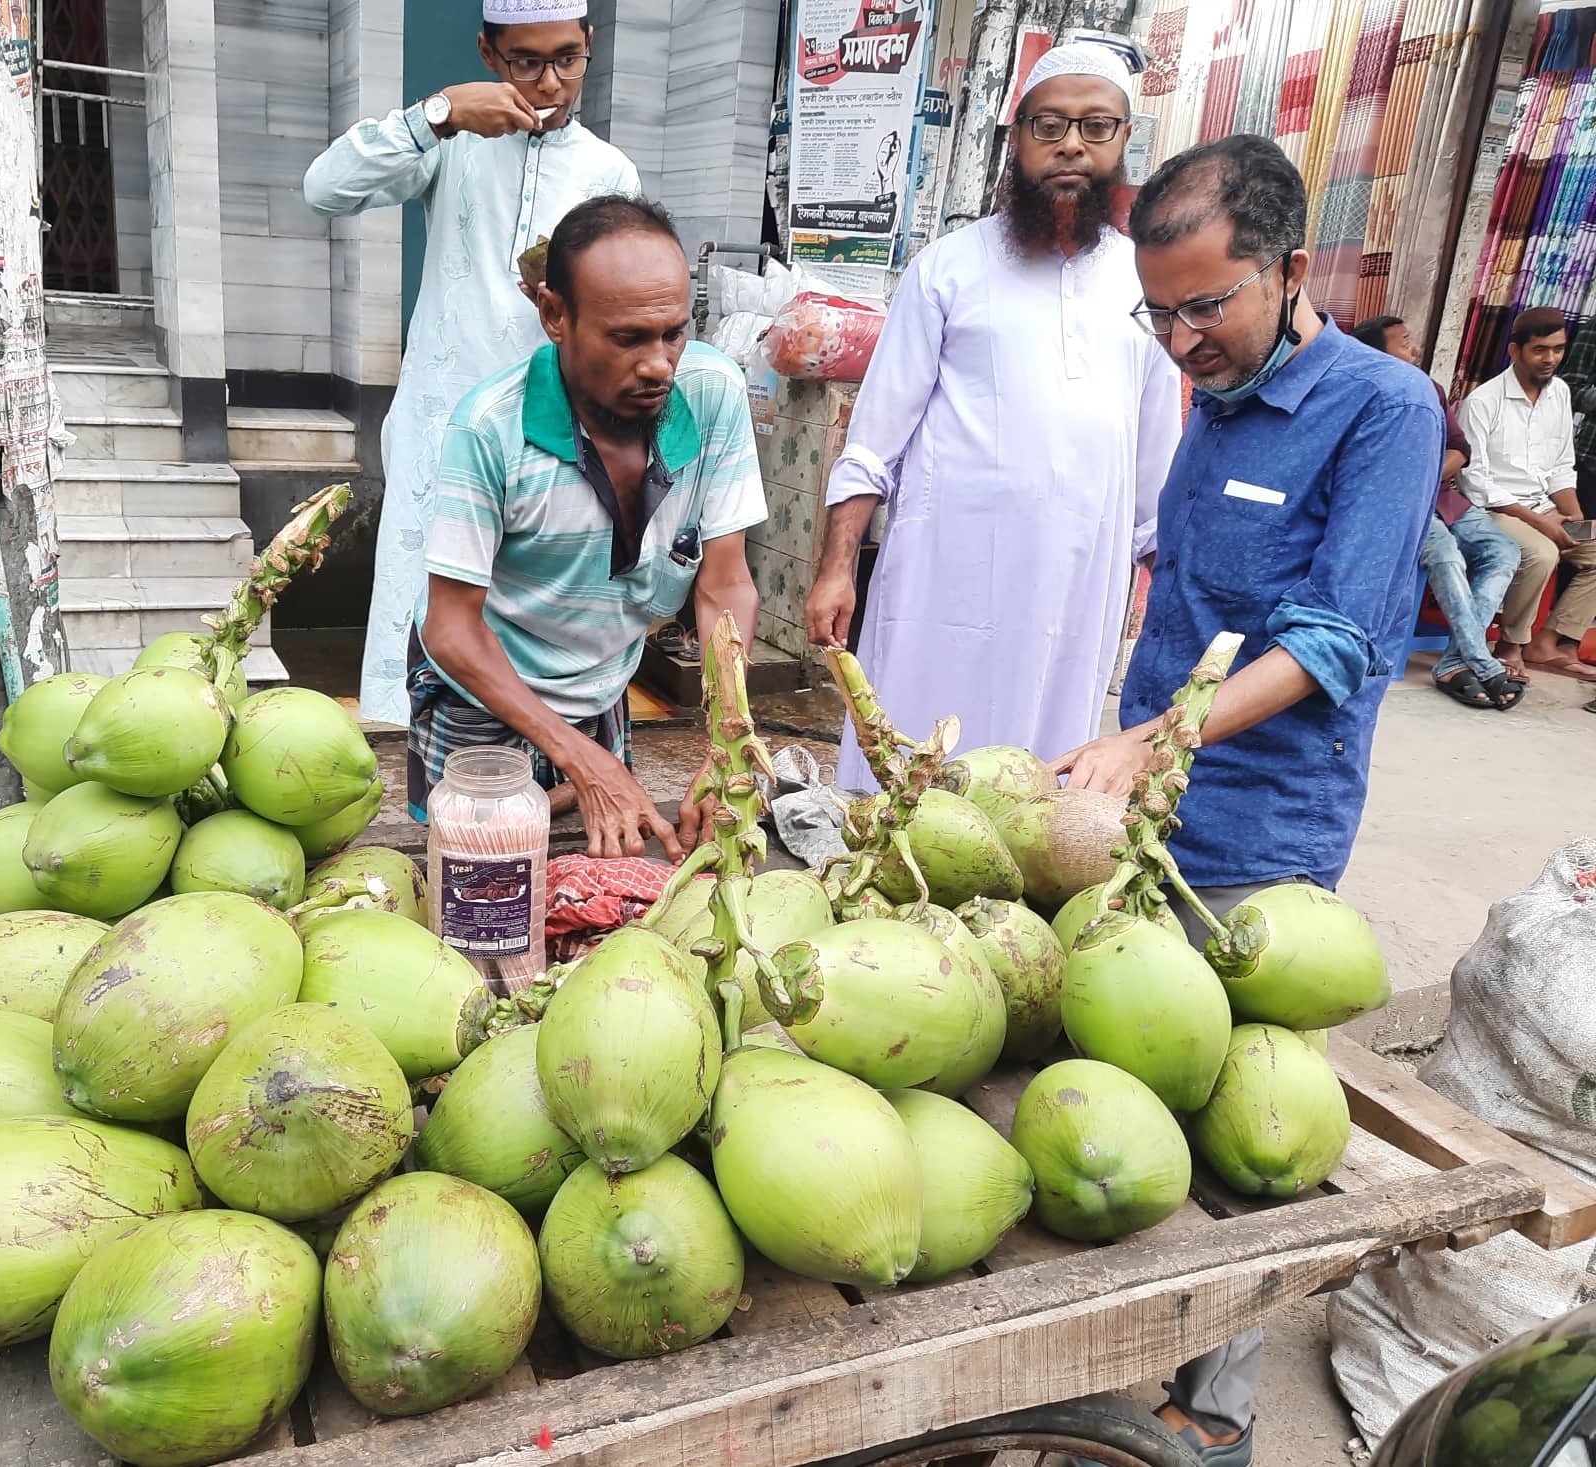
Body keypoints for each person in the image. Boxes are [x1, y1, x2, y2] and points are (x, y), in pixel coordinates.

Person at [1055, 135, 1442, 1466]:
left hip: (1265, 825)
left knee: (1239, 1124)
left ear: (1284, 268)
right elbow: (1186, 606)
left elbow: (1336, 635)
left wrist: (1159, 734)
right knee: (1127, 1083)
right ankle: (1108, 1346)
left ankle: (1212, 1405)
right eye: (1157, 310)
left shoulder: (1385, 409)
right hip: (1150, 798)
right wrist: (1122, 739)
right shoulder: (1214, 402)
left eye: (1205, 303)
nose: (1179, 338)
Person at [803, 42, 1181, 789]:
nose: (1072, 143)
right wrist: (836, 568)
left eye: (1096, 126)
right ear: (1017, 140)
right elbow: (873, 440)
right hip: (942, 581)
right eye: (1050, 125)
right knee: (906, 771)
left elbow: (1157, 476)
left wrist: (1167, 600)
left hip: (1075, 592)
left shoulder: (1148, 281)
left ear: (1124, 142)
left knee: (1039, 789)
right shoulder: (945, 269)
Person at [305, 0, 640, 728]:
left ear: (589, 44)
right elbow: (324, 188)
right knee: (416, 631)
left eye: (567, 59)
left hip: (550, 446)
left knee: (527, 639)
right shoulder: (451, 144)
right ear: (489, 55)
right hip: (441, 432)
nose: (549, 82)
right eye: (526, 61)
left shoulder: (611, 172)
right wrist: (437, 113)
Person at [411, 197, 763, 860]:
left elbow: (725, 585)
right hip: (483, 685)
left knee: (607, 874)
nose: (660, 363)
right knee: (475, 887)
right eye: (628, 338)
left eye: (673, 333)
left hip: (602, 678)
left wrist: (728, 746)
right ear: (554, 316)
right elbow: (451, 627)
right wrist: (582, 759)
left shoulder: (713, 393)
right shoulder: (488, 427)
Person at [1353, 315, 1524, 710]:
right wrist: (1411, 485)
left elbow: (1460, 449)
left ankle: (1454, 661)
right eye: (1404, 343)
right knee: (1446, 557)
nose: (1415, 350)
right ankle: (1482, 661)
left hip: (1444, 500)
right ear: (1378, 354)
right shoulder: (1363, 396)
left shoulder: (1431, 389)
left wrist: (1427, 474)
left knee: (1504, 551)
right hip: (1399, 507)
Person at [1457, 306, 1596, 682]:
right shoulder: (1484, 402)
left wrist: (1575, 520)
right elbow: (1476, 482)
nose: (1550, 358)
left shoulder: (1560, 393)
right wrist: (1540, 522)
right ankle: (1510, 644)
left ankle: (1551, 642)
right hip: (1498, 510)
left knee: (1595, 547)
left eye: (1557, 349)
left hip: (1546, 507)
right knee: (1540, 552)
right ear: (1515, 351)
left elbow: (1561, 466)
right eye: (1540, 350)